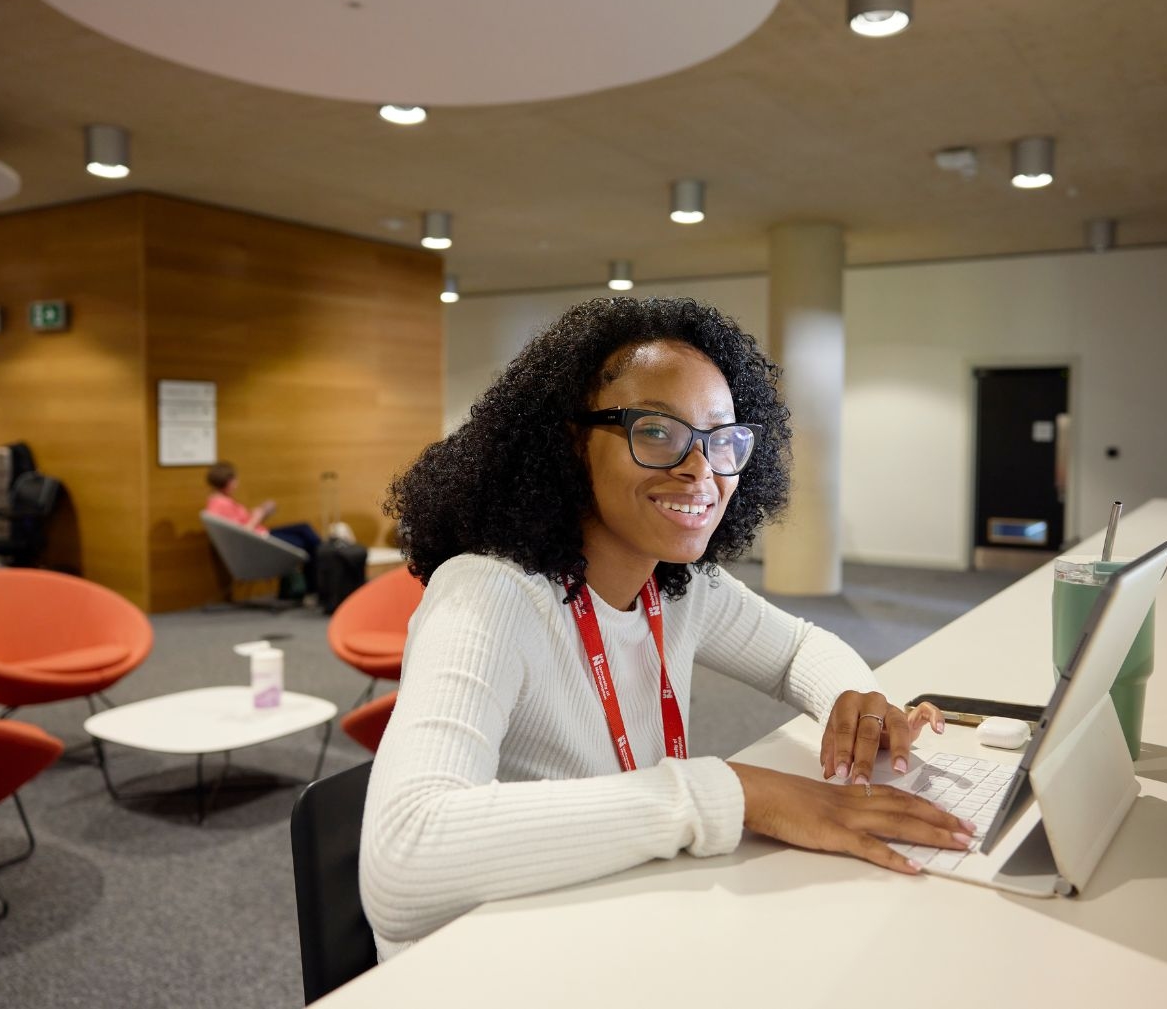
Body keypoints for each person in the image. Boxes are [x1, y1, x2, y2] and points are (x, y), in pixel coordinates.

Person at [361, 296, 969, 959]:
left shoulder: (674, 584)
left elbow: (798, 648)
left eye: (722, 439)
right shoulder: (490, 593)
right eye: (656, 431)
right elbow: (403, 859)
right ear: (568, 442)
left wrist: (853, 700)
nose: (700, 468)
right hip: (492, 958)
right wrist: (734, 792)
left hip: (611, 916)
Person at [204, 461, 321, 592]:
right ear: (228, 482)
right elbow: (241, 534)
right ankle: (318, 584)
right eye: (234, 480)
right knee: (308, 543)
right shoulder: (220, 504)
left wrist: (260, 512)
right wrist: (259, 515)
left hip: (261, 535)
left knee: (304, 529)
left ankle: (323, 566)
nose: (237, 483)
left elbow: (240, 523)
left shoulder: (220, 501)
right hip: (259, 542)